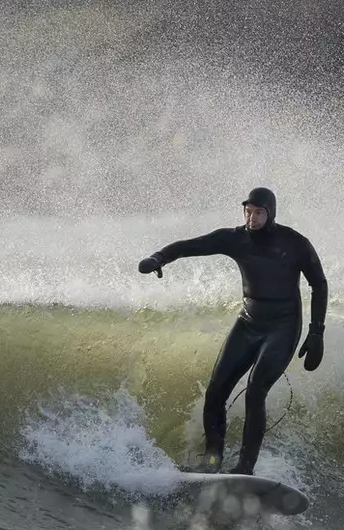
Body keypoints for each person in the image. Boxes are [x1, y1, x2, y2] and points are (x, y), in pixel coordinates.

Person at [138, 187, 326, 474]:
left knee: (255, 390)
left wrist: (316, 333)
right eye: (248, 212)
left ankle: (245, 468)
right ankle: (212, 460)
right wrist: (159, 257)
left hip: (283, 327)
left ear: (270, 213)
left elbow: (319, 284)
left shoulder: (295, 243)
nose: (251, 218)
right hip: (249, 321)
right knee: (216, 391)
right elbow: (192, 245)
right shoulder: (235, 239)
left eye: (258, 213)